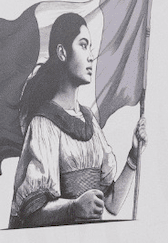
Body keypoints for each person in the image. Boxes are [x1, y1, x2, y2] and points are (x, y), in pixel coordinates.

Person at [9, 12, 147, 228]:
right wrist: (73, 207)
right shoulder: (43, 124)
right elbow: (32, 214)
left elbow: (112, 204)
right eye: (83, 45)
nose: (91, 56)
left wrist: (133, 157)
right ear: (62, 52)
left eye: (90, 47)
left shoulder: (89, 121)